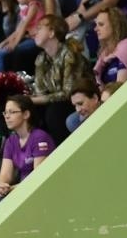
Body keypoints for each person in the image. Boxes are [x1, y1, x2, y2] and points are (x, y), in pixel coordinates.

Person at [0, 96, 55, 217]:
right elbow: (5, 174)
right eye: (5, 112)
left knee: (1, 205)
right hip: (17, 189)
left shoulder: (40, 137)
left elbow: (38, 179)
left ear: (26, 114)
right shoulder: (11, 140)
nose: (7, 116)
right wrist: (1, 186)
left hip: (34, 190)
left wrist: (11, 189)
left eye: (12, 112)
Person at [30, 15, 89, 143]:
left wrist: (40, 99)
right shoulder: (41, 59)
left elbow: (69, 92)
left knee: (54, 112)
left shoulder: (69, 54)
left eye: (40, 28)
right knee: (29, 112)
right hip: (56, 101)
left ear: (51, 33)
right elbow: (40, 90)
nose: (35, 31)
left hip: (79, 100)